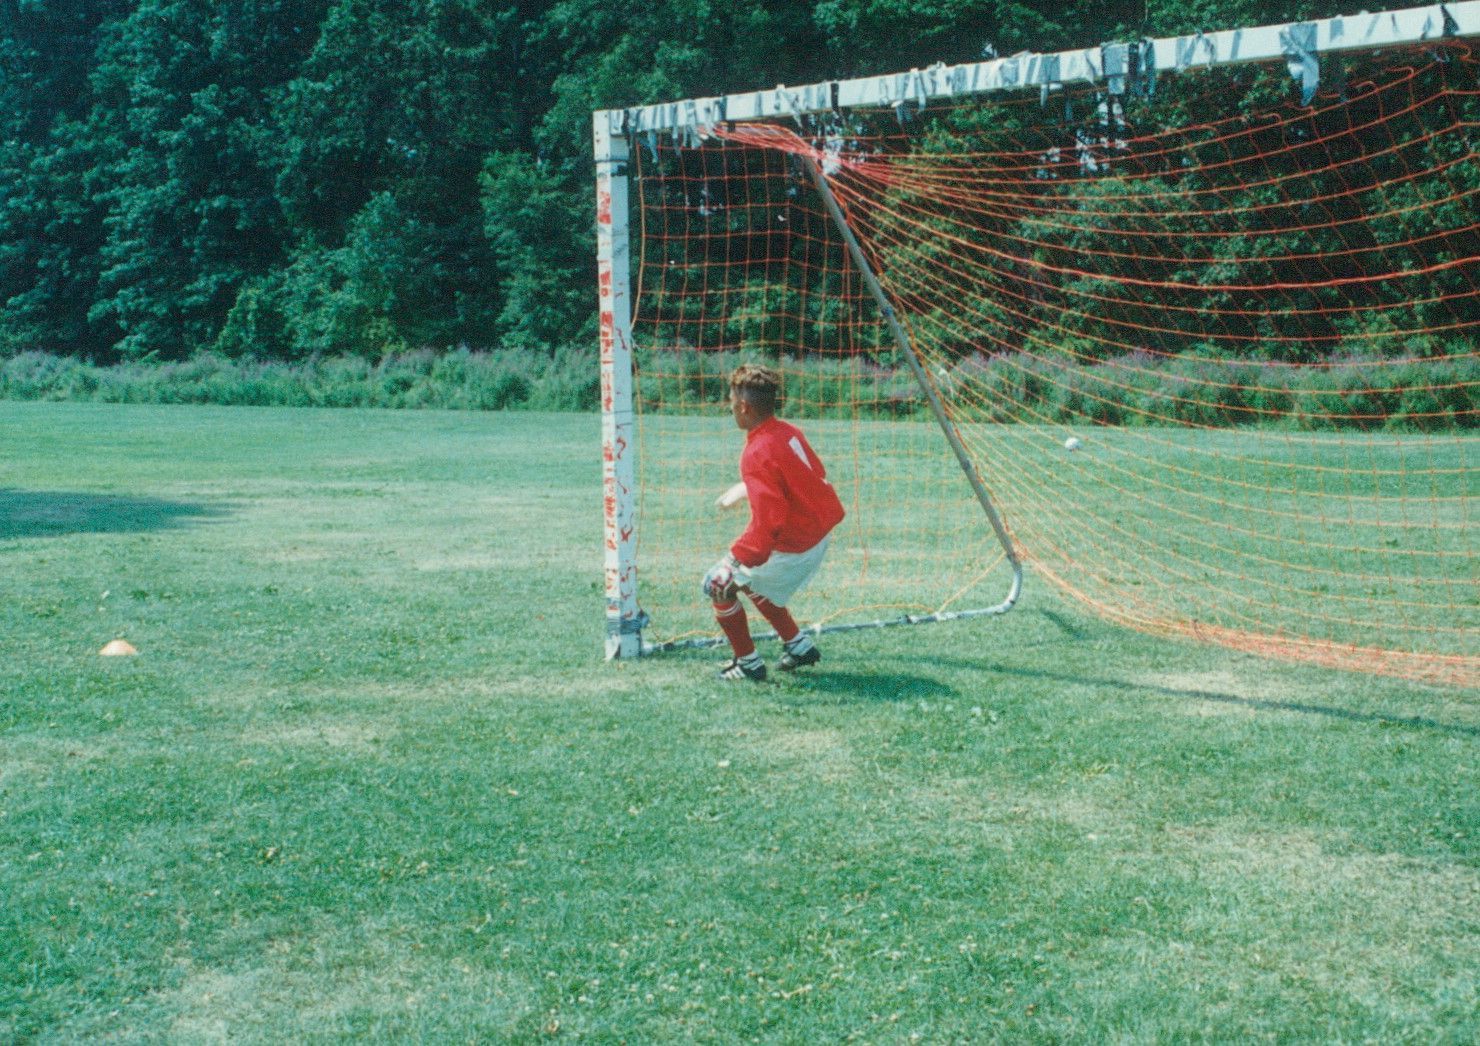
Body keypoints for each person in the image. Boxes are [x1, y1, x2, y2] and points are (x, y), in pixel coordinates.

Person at [702, 364, 845, 681]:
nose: (730, 409)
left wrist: (733, 560)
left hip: (796, 544)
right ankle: (799, 646)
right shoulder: (787, 431)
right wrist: (746, 488)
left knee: (719, 585)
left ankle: (748, 664)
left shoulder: (756, 451)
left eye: (731, 403)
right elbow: (804, 476)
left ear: (744, 407)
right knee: (751, 581)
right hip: (817, 532)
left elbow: (768, 524)